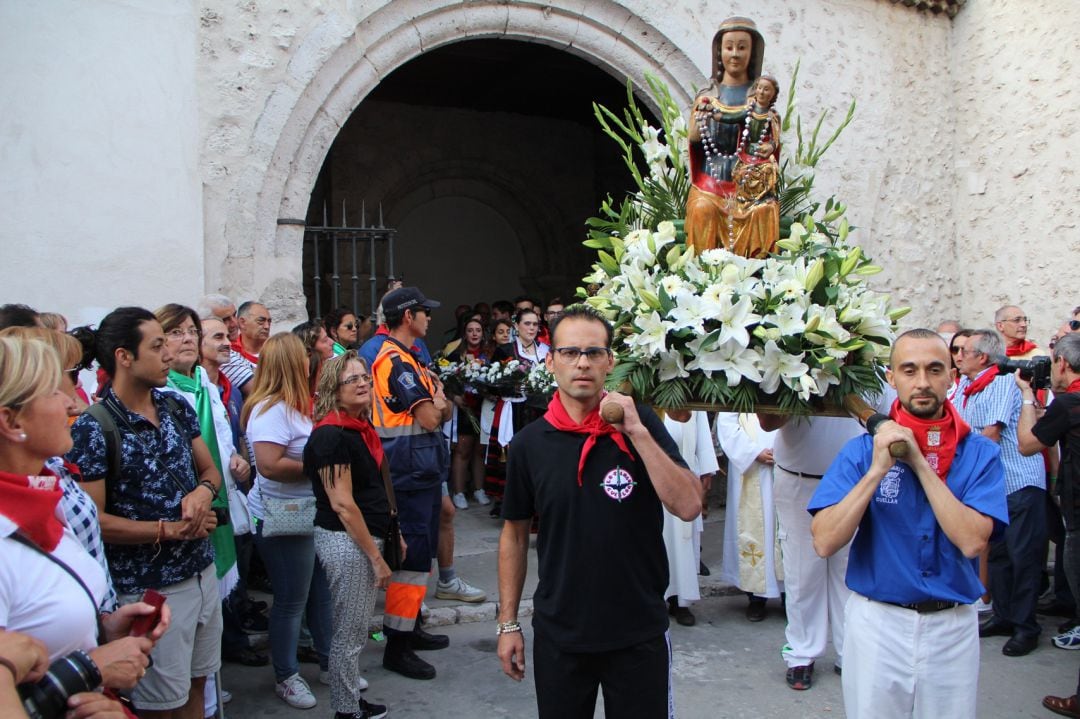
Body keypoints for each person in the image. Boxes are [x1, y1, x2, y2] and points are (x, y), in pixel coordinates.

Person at [496, 304, 703, 718]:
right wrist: (508, 624)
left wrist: (637, 432)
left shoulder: (640, 424)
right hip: (561, 634)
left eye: (593, 352)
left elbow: (689, 504)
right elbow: (514, 535)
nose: (582, 363)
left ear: (610, 361)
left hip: (637, 631)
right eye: (570, 353)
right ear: (550, 360)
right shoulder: (529, 445)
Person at [808, 329, 1007, 719]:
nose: (922, 383)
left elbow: (972, 542)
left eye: (935, 370)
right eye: (909, 370)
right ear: (892, 377)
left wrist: (918, 462)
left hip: (952, 628)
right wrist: (876, 472)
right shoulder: (862, 452)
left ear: (952, 376)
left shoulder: (979, 453)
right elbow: (825, 541)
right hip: (878, 625)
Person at [0, 336, 174, 713]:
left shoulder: (43, 500)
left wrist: (103, 632)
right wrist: (90, 668)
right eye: (53, 390)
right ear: (11, 421)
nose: (71, 401)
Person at [66, 307, 223, 719]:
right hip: (151, 591)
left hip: (202, 574)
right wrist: (171, 530)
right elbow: (94, 521)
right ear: (124, 356)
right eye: (157, 345)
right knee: (160, 705)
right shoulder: (93, 428)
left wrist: (203, 495)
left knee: (198, 685)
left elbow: (210, 471)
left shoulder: (174, 405)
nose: (169, 353)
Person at [759, 388, 894, 689]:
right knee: (801, 572)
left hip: (854, 482)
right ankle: (801, 653)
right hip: (798, 477)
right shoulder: (797, 355)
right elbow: (767, 423)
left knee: (849, 574)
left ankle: (851, 654)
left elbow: (888, 419)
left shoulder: (871, 369)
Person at [242, 332, 331, 709]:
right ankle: (286, 675)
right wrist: (319, 468)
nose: (310, 360)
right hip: (282, 518)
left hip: (309, 513)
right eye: (305, 356)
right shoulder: (270, 411)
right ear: (292, 363)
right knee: (292, 600)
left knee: (320, 594)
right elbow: (269, 465)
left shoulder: (296, 405)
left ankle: (330, 662)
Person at [369, 287, 454, 680]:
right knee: (411, 561)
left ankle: (412, 627)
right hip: (407, 473)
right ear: (407, 316)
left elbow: (443, 408)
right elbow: (433, 417)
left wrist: (437, 399)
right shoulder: (394, 362)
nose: (429, 318)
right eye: (424, 311)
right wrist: (437, 399)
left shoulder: (408, 359)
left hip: (421, 470)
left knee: (420, 559)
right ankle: (397, 646)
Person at [306, 352, 392, 719]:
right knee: (350, 633)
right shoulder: (331, 436)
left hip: (362, 538)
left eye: (364, 378)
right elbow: (343, 505)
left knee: (355, 630)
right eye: (351, 380)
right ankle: (346, 710)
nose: (362, 383)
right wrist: (376, 557)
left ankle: (351, 701)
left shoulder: (359, 427)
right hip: (348, 543)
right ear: (332, 390)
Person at [958, 329, 1047, 656]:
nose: (958, 355)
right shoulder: (968, 387)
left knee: (1023, 556)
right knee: (998, 553)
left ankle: (1027, 626)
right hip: (994, 484)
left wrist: (962, 473)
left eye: (964, 351)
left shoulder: (1000, 383)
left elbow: (990, 434)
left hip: (1018, 480)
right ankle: (1005, 615)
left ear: (982, 357)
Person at [685, 16, 778, 258]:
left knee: (765, 211)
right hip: (710, 184)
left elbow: (770, 139)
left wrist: (768, 143)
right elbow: (694, 138)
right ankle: (703, 279)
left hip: (747, 189)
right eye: (729, 47)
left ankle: (757, 280)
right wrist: (702, 116)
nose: (735, 54)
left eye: (742, 47)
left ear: (752, 52)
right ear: (719, 52)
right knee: (701, 209)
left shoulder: (759, 100)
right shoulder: (708, 96)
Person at [1015, 335, 1080, 654]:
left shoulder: (1069, 404)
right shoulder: (1069, 404)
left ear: (1063, 364)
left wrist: (1027, 395)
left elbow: (1027, 445)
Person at [717, 412, 783, 621]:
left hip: (786, 465)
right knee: (752, 529)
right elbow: (727, 421)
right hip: (750, 469)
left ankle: (789, 595)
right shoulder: (739, 381)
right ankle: (755, 598)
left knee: (785, 531)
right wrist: (753, 452)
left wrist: (787, 451)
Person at [660, 410, 718, 626]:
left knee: (681, 542)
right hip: (650, 470)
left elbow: (701, 424)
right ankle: (654, 598)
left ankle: (679, 600)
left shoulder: (686, 382)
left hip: (684, 469)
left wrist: (706, 469)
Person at [446, 315, 490, 510]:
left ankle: (479, 489)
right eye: (471, 330)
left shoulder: (489, 355)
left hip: (483, 406)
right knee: (463, 449)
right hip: (463, 407)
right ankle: (459, 491)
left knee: (480, 449)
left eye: (478, 330)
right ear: (465, 333)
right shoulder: (455, 355)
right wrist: (454, 396)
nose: (474, 334)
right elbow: (445, 379)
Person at [221, 301, 272, 396]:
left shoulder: (278, 352)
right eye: (261, 321)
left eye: (269, 321)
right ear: (242, 322)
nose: (267, 326)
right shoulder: (229, 353)